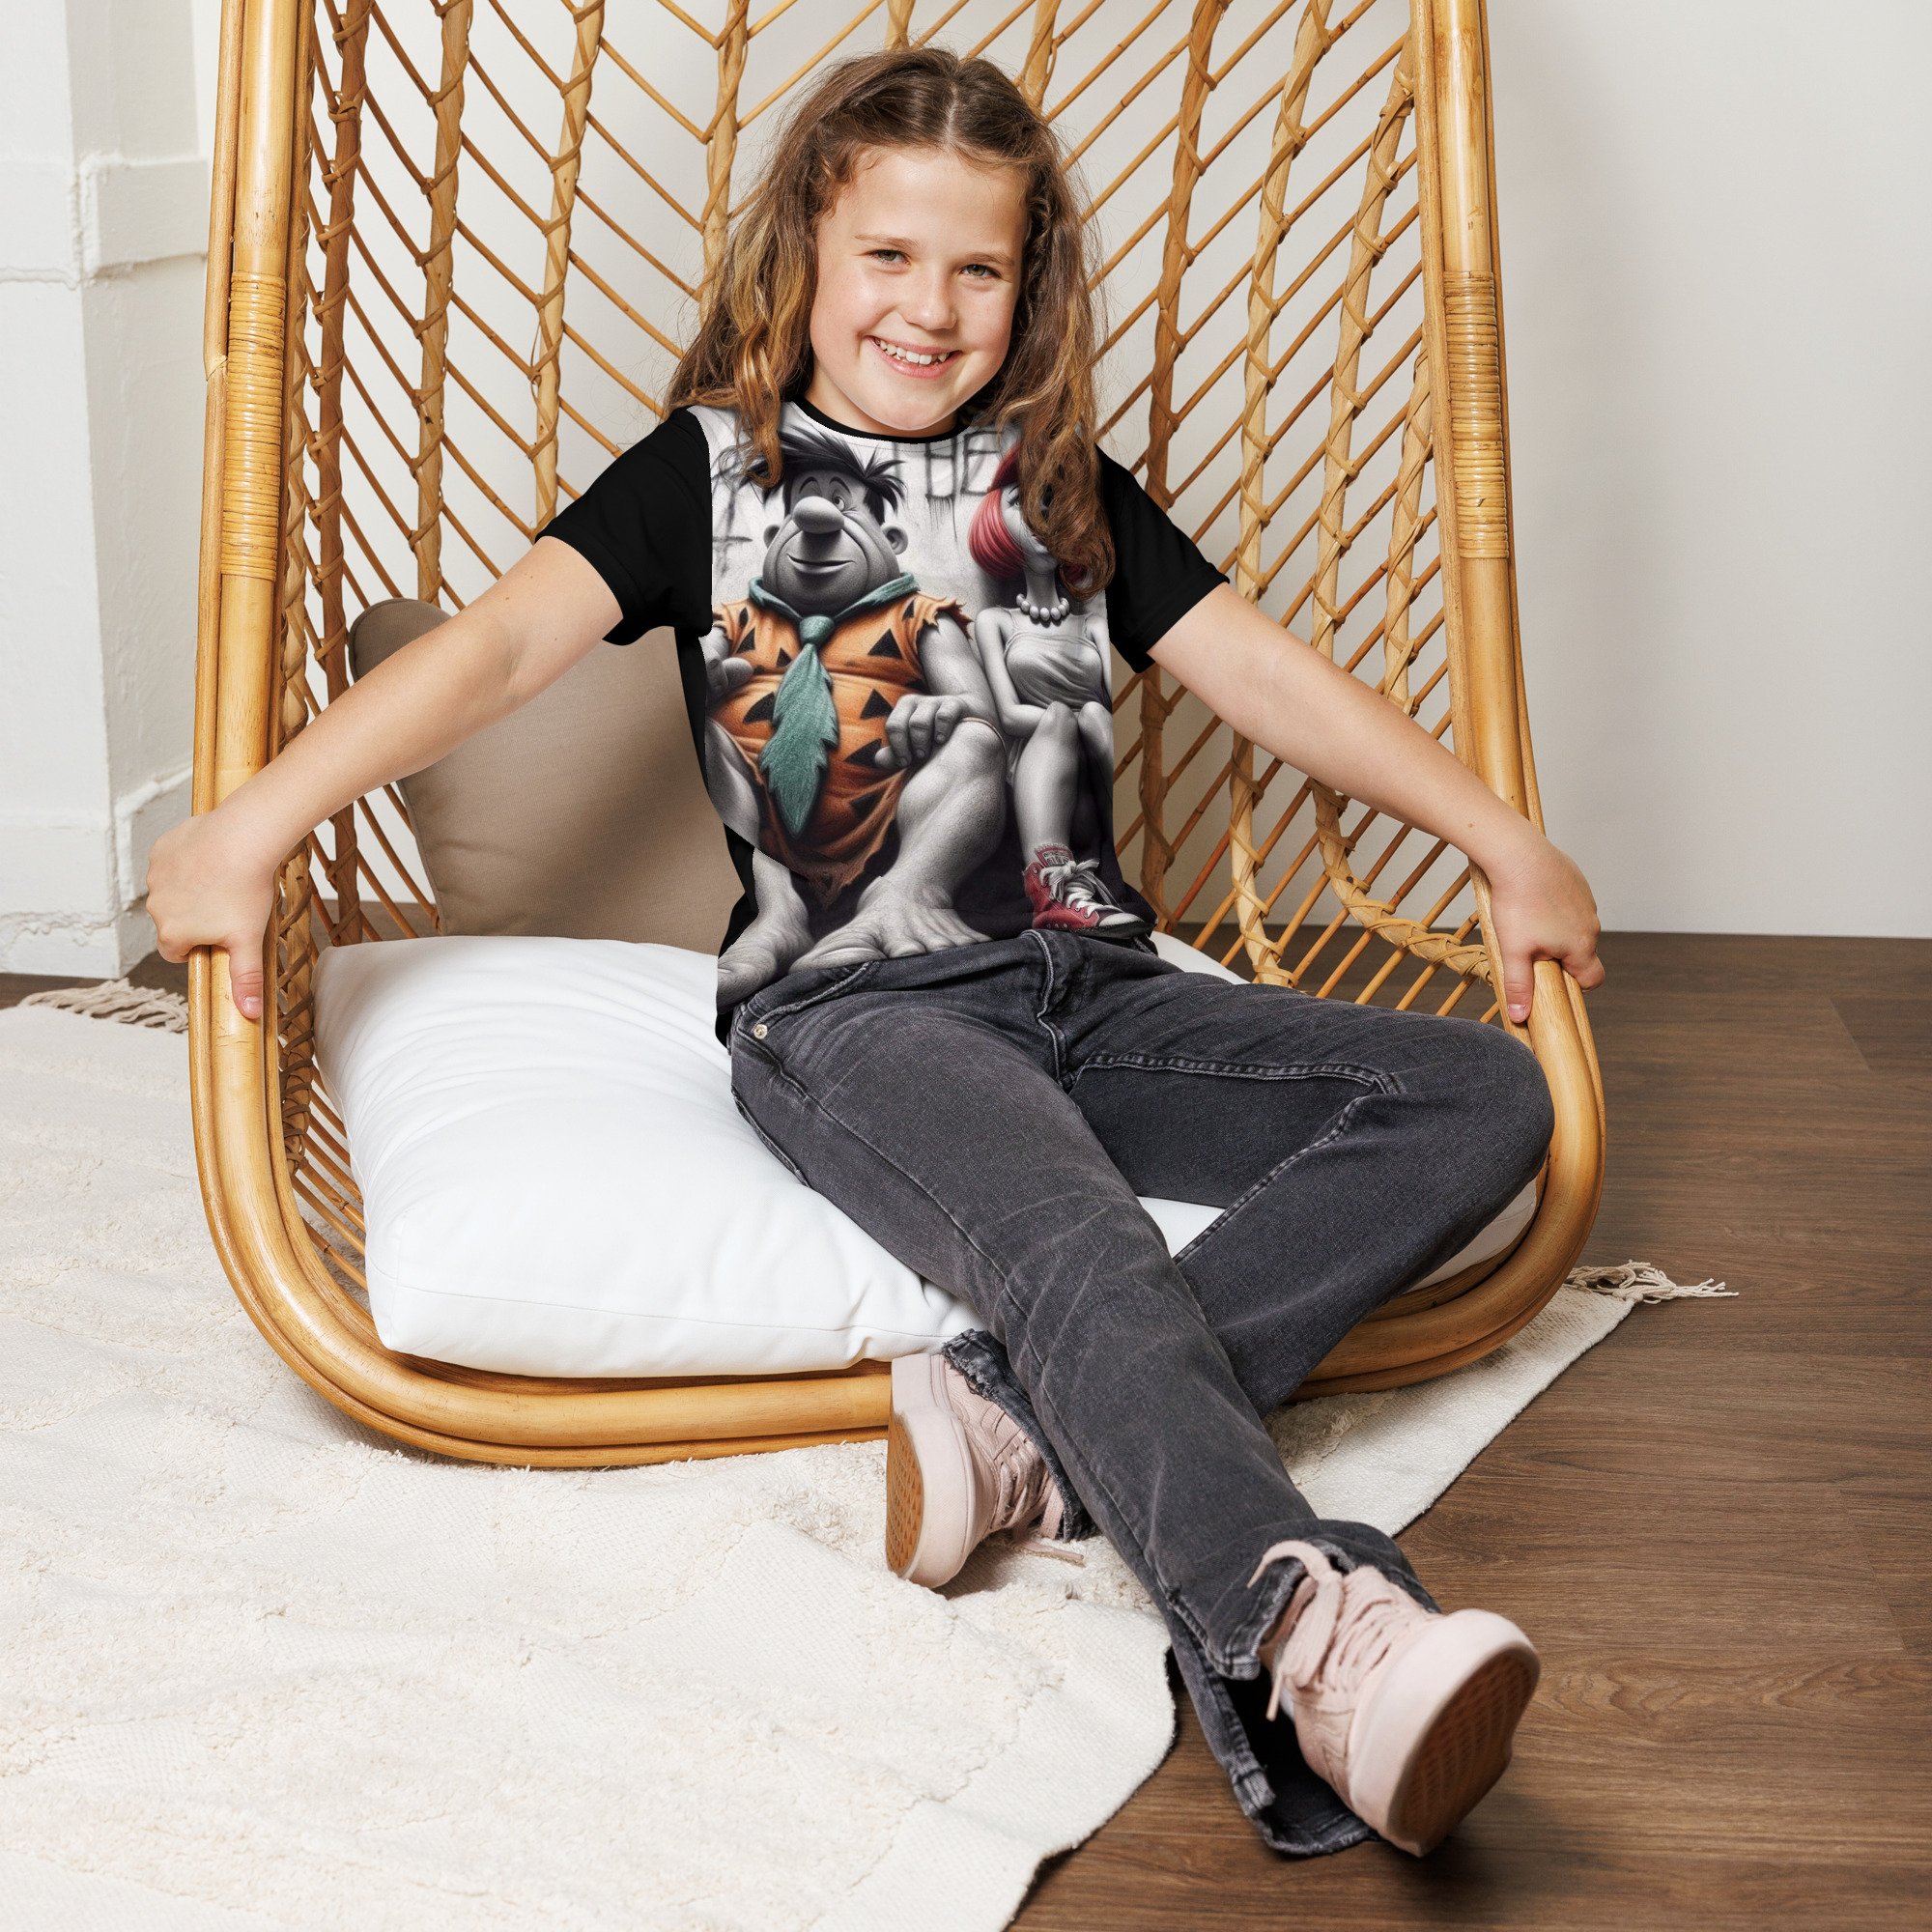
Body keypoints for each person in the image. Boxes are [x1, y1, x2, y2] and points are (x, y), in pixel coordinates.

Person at [147, 46, 1605, 1862]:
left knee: (1479, 1095)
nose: (930, 307)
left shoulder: (1059, 482)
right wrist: (254, 822)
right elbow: (497, 652)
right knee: (1073, 1238)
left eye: (978, 268)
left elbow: (1261, 673)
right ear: (806, 259)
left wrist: (1501, 839)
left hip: (1100, 990)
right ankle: (1310, 1638)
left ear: (1029, 284)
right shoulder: (709, 473)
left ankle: (1012, 1422)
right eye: (889, 259)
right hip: (857, 1011)